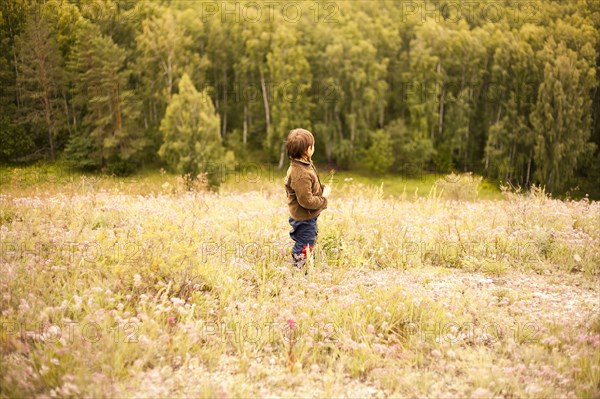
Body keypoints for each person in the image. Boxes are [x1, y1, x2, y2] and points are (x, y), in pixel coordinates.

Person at [284, 128, 331, 271]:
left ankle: (306, 264)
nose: (314, 148)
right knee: (304, 244)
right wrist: (324, 198)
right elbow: (306, 200)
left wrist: (321, 188)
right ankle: (300, 271)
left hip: (307, 216)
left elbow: (310, 187)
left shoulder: (304, 164)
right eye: (313, 145)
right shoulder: (300, 173)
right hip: (304, 217)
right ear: (307, 150)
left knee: (309, 241)